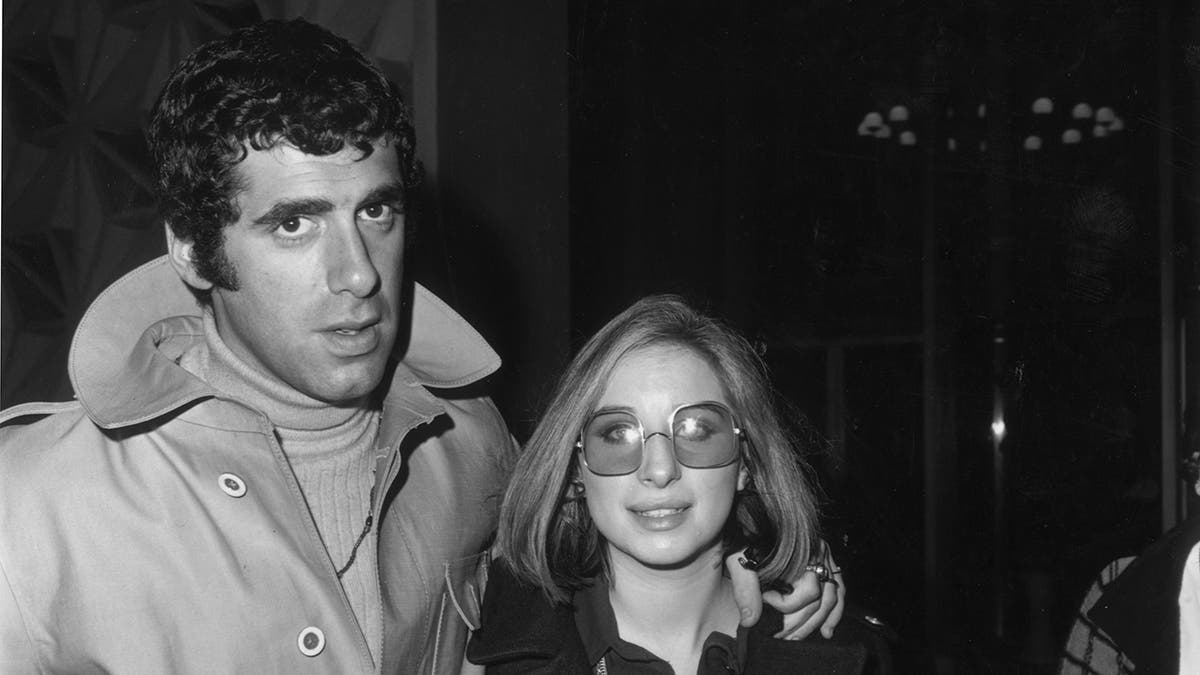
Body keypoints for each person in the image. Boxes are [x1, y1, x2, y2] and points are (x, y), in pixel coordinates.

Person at [0, 19, 841, 674]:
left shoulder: (471, 447)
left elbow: (596, 582)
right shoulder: (33, 501)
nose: (358, 274)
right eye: (293, 223)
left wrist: (782, 578)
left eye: (376, 211)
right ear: (190, 246)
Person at [467, 295, 878, 674]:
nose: (660, 470)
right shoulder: (499, 646)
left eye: (697, 430)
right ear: (576, 469)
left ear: (745, 463)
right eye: (617, 433)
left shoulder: (839, 655)